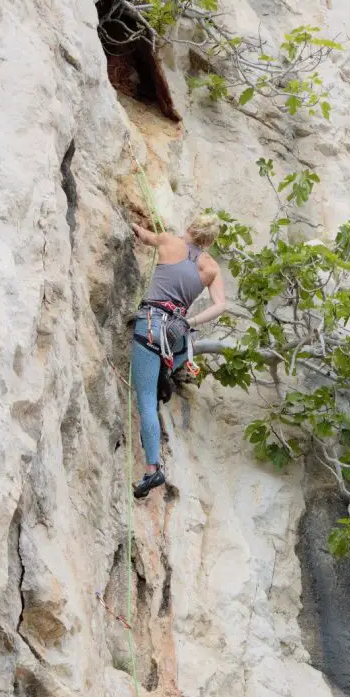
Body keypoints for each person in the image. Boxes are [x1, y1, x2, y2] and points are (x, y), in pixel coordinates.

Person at [130, 213, 227, 498]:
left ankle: (152, 470)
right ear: (209, 240)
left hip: (151, 323)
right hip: (177, 335)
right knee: (158, 377)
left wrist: (134, 224)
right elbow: (221, 305)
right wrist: (191, 322)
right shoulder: (211, 267)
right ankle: (164, 377)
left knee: (146, 399)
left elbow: (143, 235)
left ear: (190, 227)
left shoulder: (168, 241)